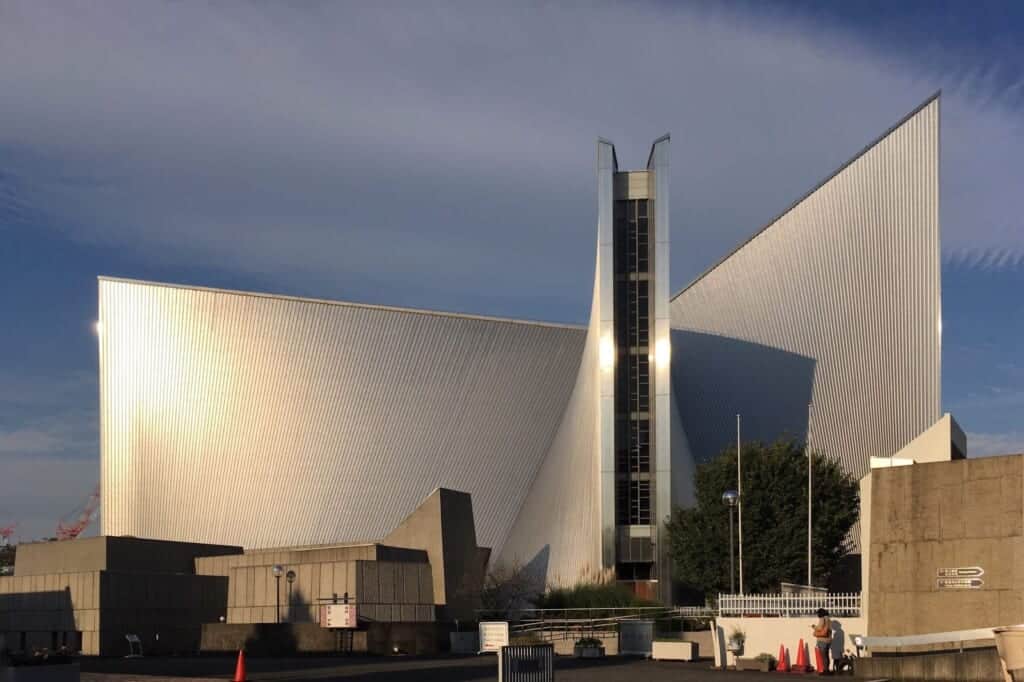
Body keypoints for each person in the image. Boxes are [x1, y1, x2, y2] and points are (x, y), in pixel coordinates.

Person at [811, 607, 832, 674]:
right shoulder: (828, 619)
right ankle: (827, 669)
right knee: (826, 655)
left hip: (822, 640)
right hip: (828, 640)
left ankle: (825, 670)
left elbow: (819, 628)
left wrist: (814, 627)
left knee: (823, 656)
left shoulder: (822, 619)